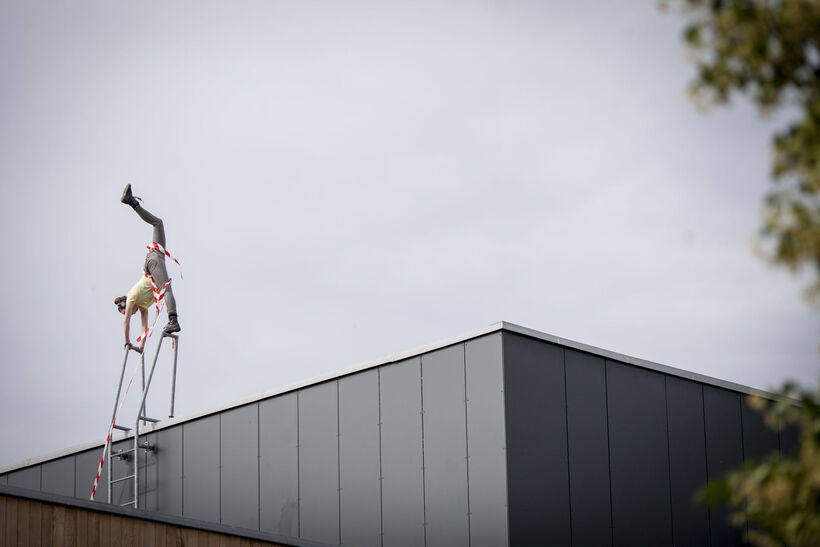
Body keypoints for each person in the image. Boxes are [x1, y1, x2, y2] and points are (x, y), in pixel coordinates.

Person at [115, 184, 181, 352]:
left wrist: (127, 341)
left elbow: (126, 321)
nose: (131, 313)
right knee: (158, 223)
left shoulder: (132, 297)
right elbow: (144, 327)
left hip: (152, 262)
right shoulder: (144, 306)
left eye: (126, 311)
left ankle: (173, 320)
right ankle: (132, 202)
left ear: (124, 306)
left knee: (166, 288)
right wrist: (140, 347)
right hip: (156, 258)